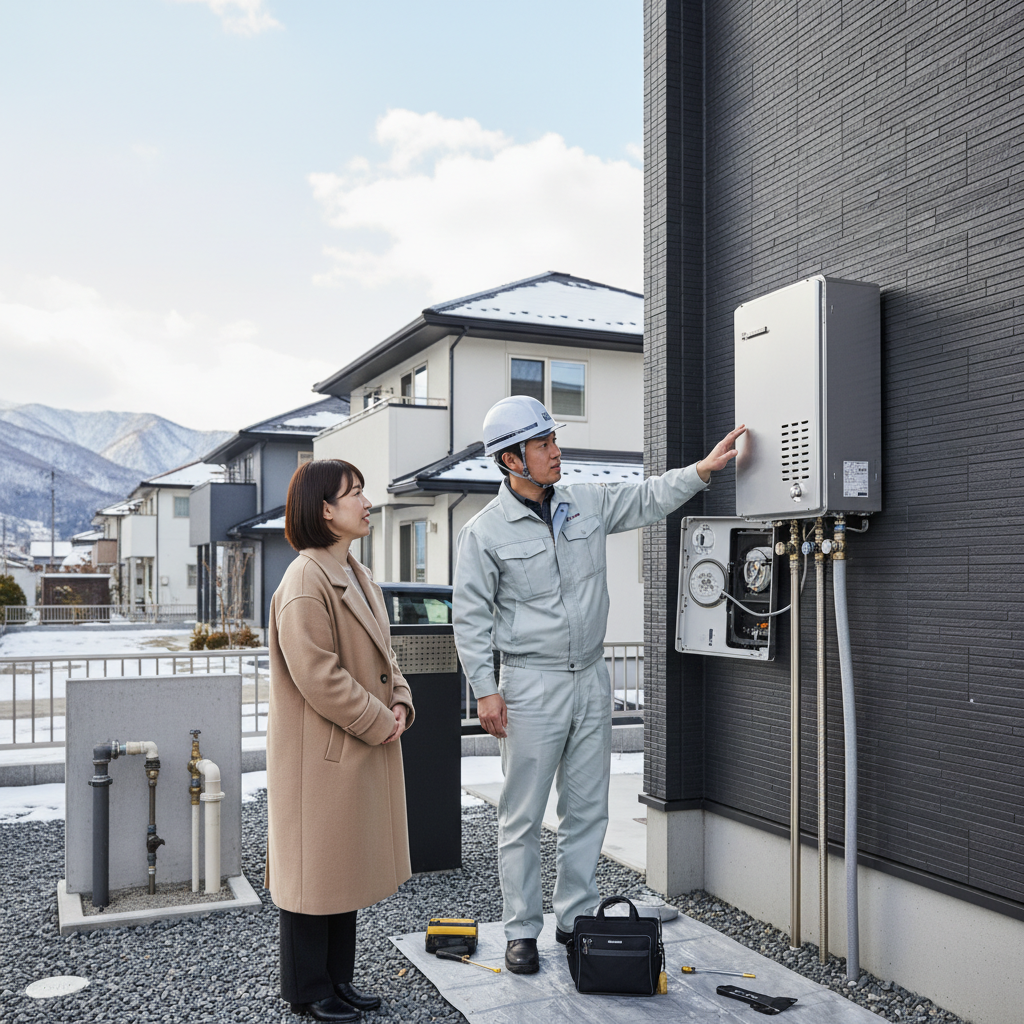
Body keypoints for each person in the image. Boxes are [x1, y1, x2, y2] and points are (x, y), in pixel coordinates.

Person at [453, 395, 745, 974]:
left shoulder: (585, 502)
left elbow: (645, 498)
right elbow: (471, 615)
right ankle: (521, 930)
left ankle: (575, 917)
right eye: (543, 445)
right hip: (530, 684)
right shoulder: (484, 533)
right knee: (522, 816)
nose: (556, 452)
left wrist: (702, 472)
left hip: (590, 678)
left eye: (553, 440)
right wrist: (485, 688)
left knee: (587, 809)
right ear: (511, 459)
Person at [266, 459, 414, 1022]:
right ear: (324, 509)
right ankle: (307, 990)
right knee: (314, 878)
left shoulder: (355, 571)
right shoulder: (306, 579)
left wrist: (399, 698)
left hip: (346, 751)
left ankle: (337, 980)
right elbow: (319, 676)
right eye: (355, 494)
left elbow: (384, 655)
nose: (366, 501)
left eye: (363, 492)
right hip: (320, 758)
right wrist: (380, 719)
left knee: (339, 873)